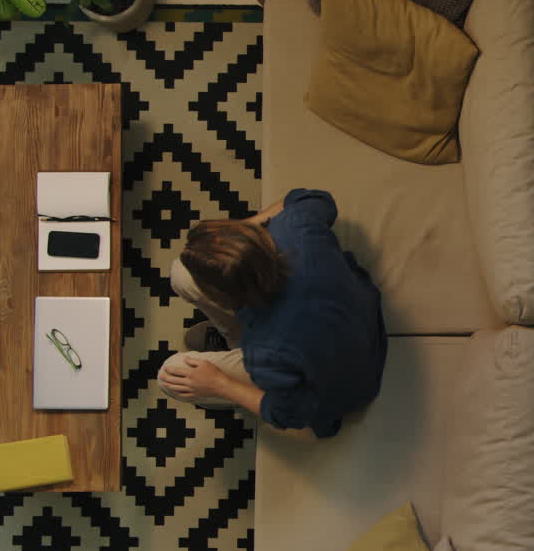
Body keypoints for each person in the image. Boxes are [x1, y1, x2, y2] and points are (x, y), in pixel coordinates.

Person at [156, 188, 387, 439]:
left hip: (349, 380)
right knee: (182, 272)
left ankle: (225, 371)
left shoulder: (266, 353)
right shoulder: (294, 228)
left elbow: (290, 413)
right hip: (356, 319)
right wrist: (244, 233)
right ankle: (232, 343)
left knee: (171, 374)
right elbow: (317, 199)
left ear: (223, 296)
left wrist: (219, 384)